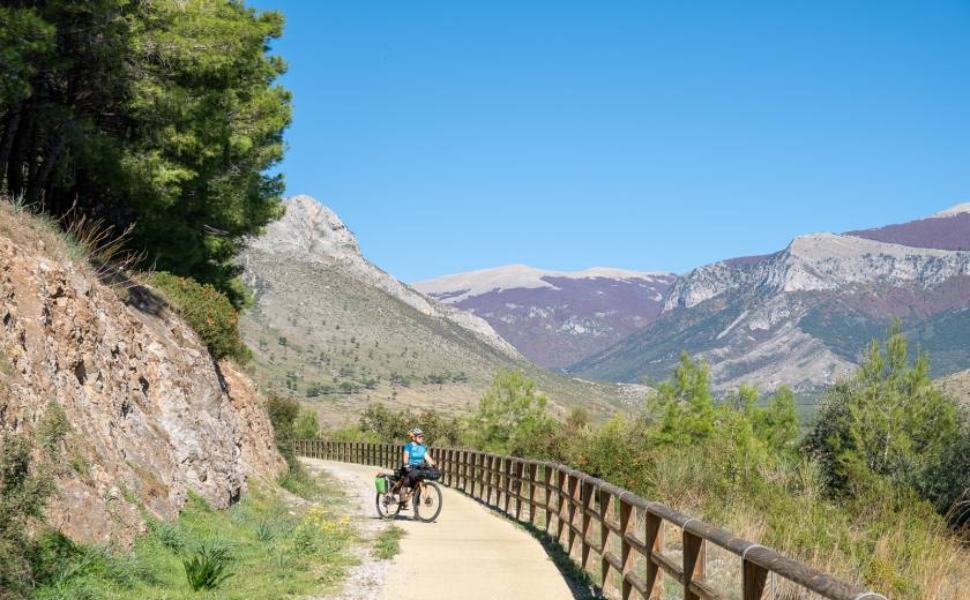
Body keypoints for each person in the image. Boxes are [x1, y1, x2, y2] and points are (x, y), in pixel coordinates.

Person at [398, 427, 436, 508]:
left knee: (421, 479)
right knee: (407, 482)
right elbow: (405, 459)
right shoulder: (408, 446)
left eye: (422, 436)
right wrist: (407, 465)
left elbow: (427, 457)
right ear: (414, 438)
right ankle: (403, 497)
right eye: (419, 437)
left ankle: (418, 503)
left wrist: (434, 465)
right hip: (409, 467)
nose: (421, 438)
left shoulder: (422, 447)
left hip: (418, 469)